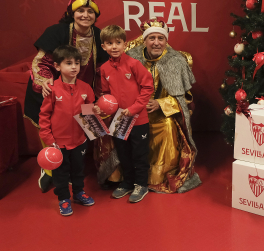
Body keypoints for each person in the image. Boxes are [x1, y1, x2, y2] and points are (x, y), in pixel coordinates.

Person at [23, 0, 112, 192]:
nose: (85, 15)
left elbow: (102, 68)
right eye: (81, 11)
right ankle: (49, 169)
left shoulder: (99, 36)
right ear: (72, 13)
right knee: (53, 131)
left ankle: (72, 168)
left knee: (81, 131)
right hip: (54, 90)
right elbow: (41, 63)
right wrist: (46, 80)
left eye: (91, 12)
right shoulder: (56, 32)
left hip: (83, 92)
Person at [126, 17, 201, 193]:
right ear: (144, 40)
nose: (156, 43)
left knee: (167, 128)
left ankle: (156, 177)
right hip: (135, 111)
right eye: (151, 38)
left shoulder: (176, 61)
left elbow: (185, 98)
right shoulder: (131, 58)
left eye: (161, 38)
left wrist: (161, 103)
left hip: (163, 114)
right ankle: (129, 176)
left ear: (166, 40)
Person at [94, 25, 154, 203]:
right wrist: (101, 107)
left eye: (118, 43)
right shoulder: (104, 69)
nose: (114, 47)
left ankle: (141, 185)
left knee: (139, 154)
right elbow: (105, 94)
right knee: (124, 153)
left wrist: (134, 108)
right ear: (103, 46)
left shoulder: (134, 64)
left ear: (124, 44)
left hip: (138, 119)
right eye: (109, 43)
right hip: (119, 120)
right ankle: (127, 183)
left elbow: (148, 87)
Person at [38, 45, 96, 216]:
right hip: (58, 144)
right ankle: (63, 198)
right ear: (57, 66)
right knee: (61, 174)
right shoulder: (52, 89)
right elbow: (44, 117)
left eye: (76, 63)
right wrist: (49, 141)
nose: (73, 67)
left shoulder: (86, 88)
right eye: (68, 63)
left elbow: (88, 113)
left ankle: (78, 192)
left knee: (78, 170)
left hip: (79, 141)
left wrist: (95, 111)